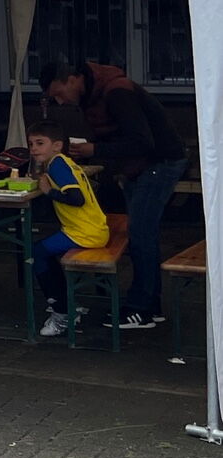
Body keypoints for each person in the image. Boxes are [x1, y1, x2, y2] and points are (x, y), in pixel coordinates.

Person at [41, 59, 186, 329]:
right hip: (140, 167)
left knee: (141, 233)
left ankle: (141, 309)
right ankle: (149, 305)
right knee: (141, 233)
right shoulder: (94, 94)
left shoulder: (117, 91)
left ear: (72, 79)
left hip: (159, 162)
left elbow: (142, 141)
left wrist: (95, 150)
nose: (60, 102)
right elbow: (120, 136)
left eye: (59, 94)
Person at [24, 121, 109, 338]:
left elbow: (76, 199)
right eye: (31, 144)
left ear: (57, 145)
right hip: (90, 227)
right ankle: (66, 302)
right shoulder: (61, 162)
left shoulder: (58, 165)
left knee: (37, 253)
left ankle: (62, 312)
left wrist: (48, 191)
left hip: (85, 231)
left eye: (40, 143)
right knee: (43, 251)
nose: (34, 149)